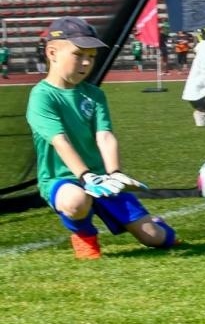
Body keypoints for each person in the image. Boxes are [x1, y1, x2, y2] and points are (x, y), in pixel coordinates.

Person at [26, 17, 177, 260]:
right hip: (61, 179)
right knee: (76, 201)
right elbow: (60, 141)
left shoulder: (94, 95)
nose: (86, 62)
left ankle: (160, 227)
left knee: (155, 238)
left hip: (102, 179)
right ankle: (85, 237)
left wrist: (114, 174)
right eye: (78, 54)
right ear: (52, 52)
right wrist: (86, 177)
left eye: (92, 56)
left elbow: (105, 136)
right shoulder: (42, 96)